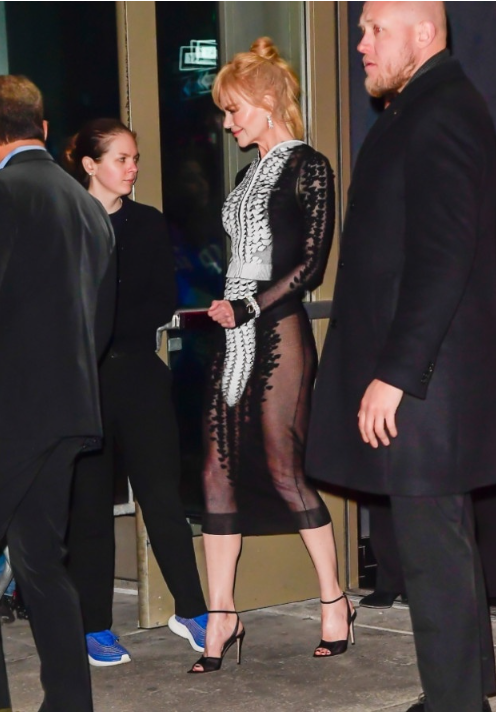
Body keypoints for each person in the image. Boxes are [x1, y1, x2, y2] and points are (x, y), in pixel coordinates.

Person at [306, 3, 496, 711]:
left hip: (426, 383)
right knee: (445, 543)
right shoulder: (426, 105)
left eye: (374, 30)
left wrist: (395, 373)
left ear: (424, 32)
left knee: (433, 551)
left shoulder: (441, 111)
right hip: (429, 378)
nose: (361, 43)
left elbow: (443, 258)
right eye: (360, 30)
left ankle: (456, 702)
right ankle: (467, 688)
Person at [190, 37, 343, 675]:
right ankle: (222, 615)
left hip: (279, 331)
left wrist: (250, 304)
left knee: (285, 468)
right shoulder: (242, 175)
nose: (228, 123)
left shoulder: (310, 166)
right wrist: (231, 305)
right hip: (235, 332)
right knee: (214, 471)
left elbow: (311, 264)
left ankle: (334, 600)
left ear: (267, 101)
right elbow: (241, 259)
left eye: (234, 109)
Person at [64, 118, 209, 667]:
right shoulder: (65, 220)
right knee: (91, 509)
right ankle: (93, 627)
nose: (133, 168)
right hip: (84, 382)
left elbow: (159, 301)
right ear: (90, 164)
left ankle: (192, 611)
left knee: (163, 498)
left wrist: (103, 323)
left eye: (135, 158)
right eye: (121, 159)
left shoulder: (147, 222)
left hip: (140, 376)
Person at [0, 76, 115, 712]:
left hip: (11, 413)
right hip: (71, 409)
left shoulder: (6, 193)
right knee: (42, 564)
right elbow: (100, 322)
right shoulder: (87, 205)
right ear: (42, 129)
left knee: (40, 563)